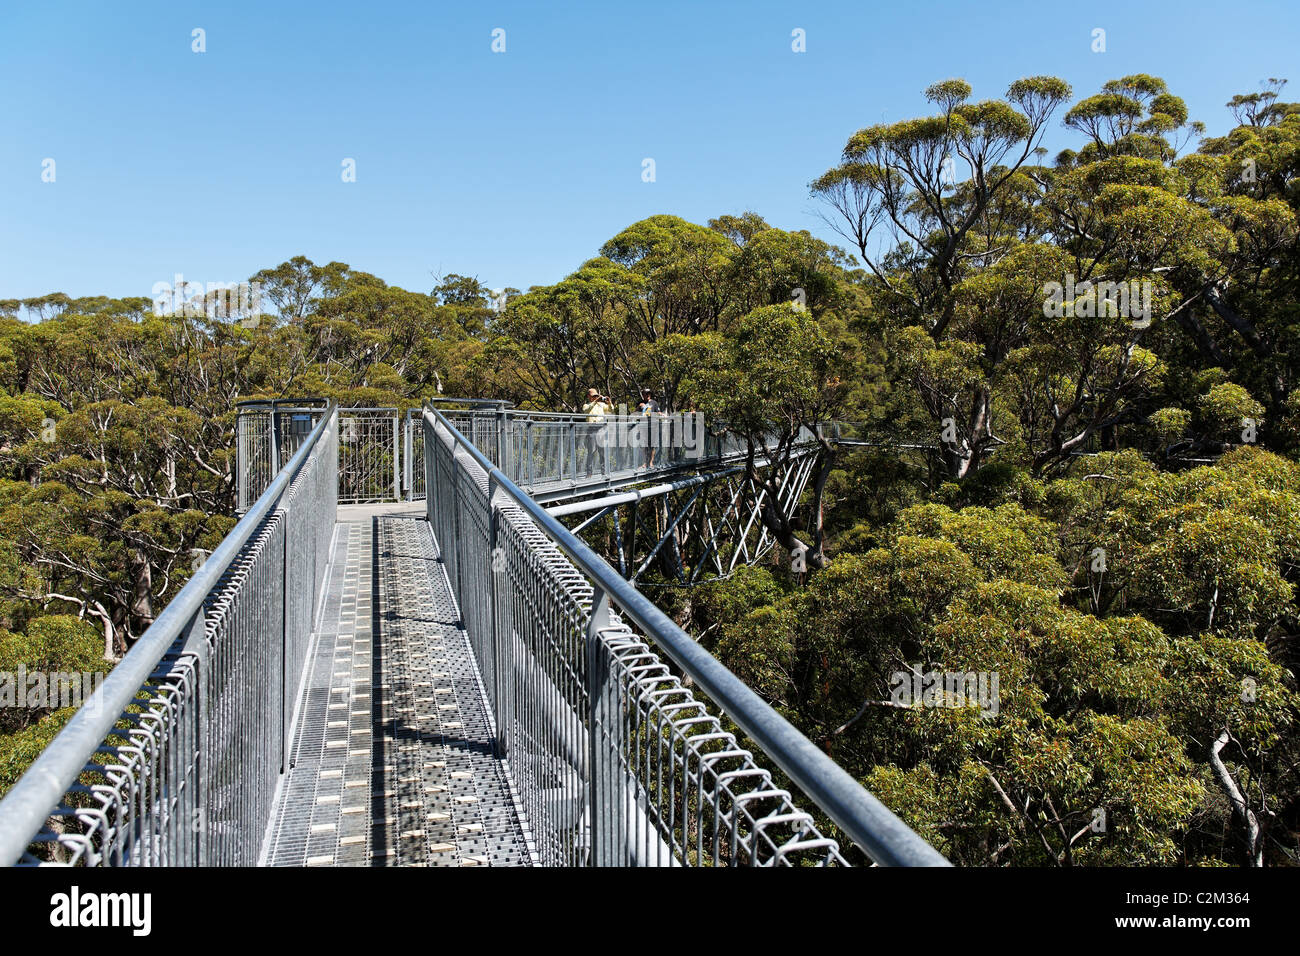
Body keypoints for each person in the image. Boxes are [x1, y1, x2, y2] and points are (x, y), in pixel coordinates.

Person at [581, 387, 613, 473]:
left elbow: (611, 410)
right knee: (591, 451)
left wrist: (609, 403)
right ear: (588, 396)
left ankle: (604, 471)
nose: (595, 397)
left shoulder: (601, 405)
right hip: (591, 429)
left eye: (596, 396)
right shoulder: (586, 405)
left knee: (602, 451)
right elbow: (586, 410)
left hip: (601, 429)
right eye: (593, 396)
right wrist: (595, 402)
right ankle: (589, 472)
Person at [636, 387, 660, 468]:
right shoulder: (640, 402)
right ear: (643, 395)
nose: (647, 395)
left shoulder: (654, 403)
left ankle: (650, 462)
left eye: (649, 393)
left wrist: (662, 414)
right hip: (643, 427)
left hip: (653, 426)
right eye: (646, 394)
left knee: (652, 445)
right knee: (644, 446)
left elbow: (658, 412)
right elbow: (635, 413)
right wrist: (639, 407)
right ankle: (644, 462)